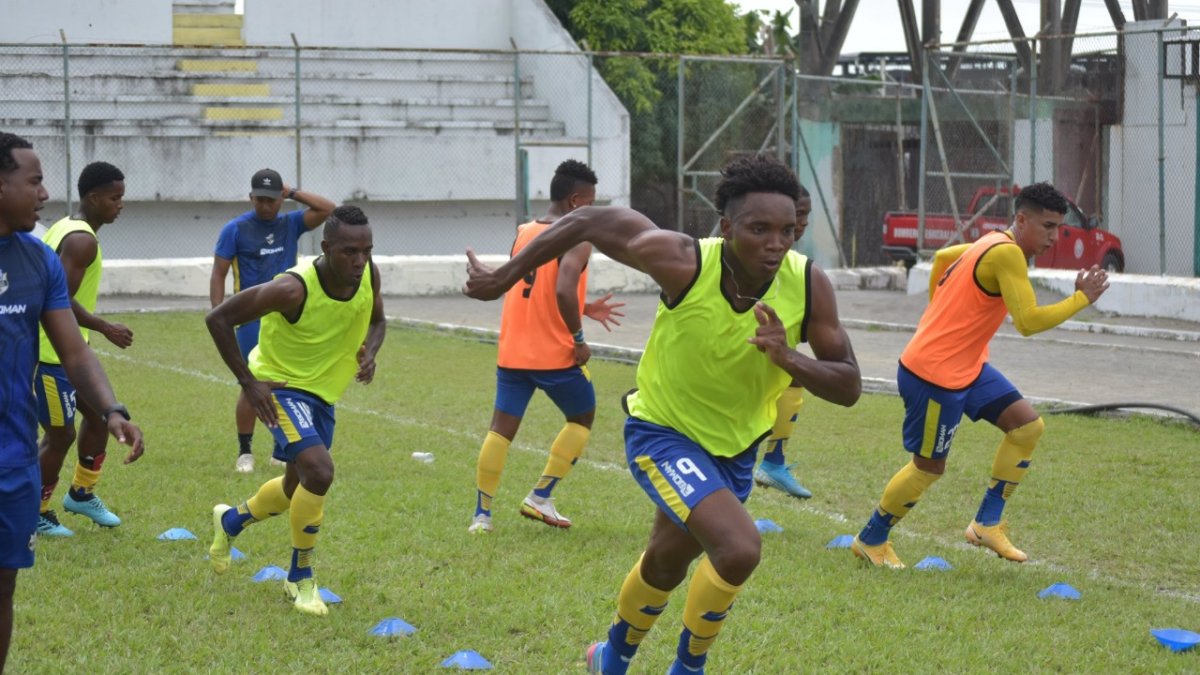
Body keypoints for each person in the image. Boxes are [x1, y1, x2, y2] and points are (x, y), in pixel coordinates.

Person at [464, 154, 861, 674]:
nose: (776, 243)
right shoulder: (684, 260)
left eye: (788, 230)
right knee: (739, 548)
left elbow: (849, 384)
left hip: (736, 449)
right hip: (663, 434)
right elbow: (585, 221)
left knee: (666, 562)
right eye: (759, 228)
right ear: (726, 227)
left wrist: (789, 357)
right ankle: (687, 668)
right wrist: (504, 277)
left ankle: (610, 657)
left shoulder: (808, 284)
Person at [851, 182, 1110, 569]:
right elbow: (1027, 321)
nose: (1054, 237)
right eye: (1047, 226)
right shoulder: (1007, 254)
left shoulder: (990, 241)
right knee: (929, 467)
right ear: (1021, 220)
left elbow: (941, 258)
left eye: (1058, 227)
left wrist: (942, 317)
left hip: (966, 367)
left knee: (1027, 428)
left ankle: (986, 523)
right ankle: (871, 539)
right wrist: (1081, 300)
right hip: (934, 375)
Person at [0, 132, 143, 672]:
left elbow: (76, 352)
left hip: (12, 456)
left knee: (5, 583)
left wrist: (111, 410)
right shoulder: (74, 239)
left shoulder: (38, 260)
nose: (42, 194)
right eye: (33, 181)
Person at [205, 205, 385, 617]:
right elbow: (218, 319)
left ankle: (230, 521)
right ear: (325, 248)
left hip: (323, 395)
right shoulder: (292, 288)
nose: (359, 261)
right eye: (349, 252)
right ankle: (299, 577)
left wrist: (370, 353)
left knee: (294, 488)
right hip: (282, 388)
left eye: (366, 251)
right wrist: (249, 383)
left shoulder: (367, 275)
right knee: (320, 471)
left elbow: (378, 320)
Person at [469, 159, 624, 534]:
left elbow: (531, 284)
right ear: (574, 201)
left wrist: (585, 307)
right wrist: (579, 338)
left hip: (513, 351)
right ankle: (540, 497)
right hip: (555, 355)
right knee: (582, 418)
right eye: (590, 202)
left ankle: (482, 517)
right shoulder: (578, 237)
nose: (592, 209)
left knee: (500, 430)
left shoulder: (524, 231)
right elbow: (561, 287)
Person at [210, 169, 335, 473]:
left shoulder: (290, 223)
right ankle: (245, 451)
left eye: (272, 199)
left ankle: (282, 451)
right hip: (251, 318)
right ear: (251, 198)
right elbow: (219, 274)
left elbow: (329, 210)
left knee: (290, 382)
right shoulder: (235, 229)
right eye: (260, 199)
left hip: (288, 317)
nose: (265, 206)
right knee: (252, 382)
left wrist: (293, 193)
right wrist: (219, 314)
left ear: (280, 198)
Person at [34, 161, 134, 537]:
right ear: (93, 198)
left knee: (99, 418)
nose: (120, 205)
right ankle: (36, 511)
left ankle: (81, 492)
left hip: (72, 352)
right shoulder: (82, 240)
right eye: (115, 198)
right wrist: (104, 326)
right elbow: (57, 298)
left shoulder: (67, 225)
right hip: (51, 355)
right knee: (60, 436)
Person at [753, 186, 814, 499]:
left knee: (793, 376)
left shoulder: (796, 266)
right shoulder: (755, 253)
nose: (803, 223)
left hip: (770, 347)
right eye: (797, 215)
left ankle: (774, 461)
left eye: (805, 216)